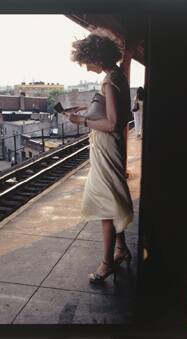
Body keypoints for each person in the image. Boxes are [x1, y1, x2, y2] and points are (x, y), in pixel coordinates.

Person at [68, 31, 134, 283]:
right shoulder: (118, 76)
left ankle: (106, 264)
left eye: (86, 61)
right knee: (111, 197)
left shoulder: (108, 81)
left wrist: (81, 120)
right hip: (109, 148)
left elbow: (113, 123)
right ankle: (121, 248)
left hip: (106, 147)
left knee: (106, 204)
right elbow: (112, 112)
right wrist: (88, 110)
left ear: (96, 57)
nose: (86, 68)